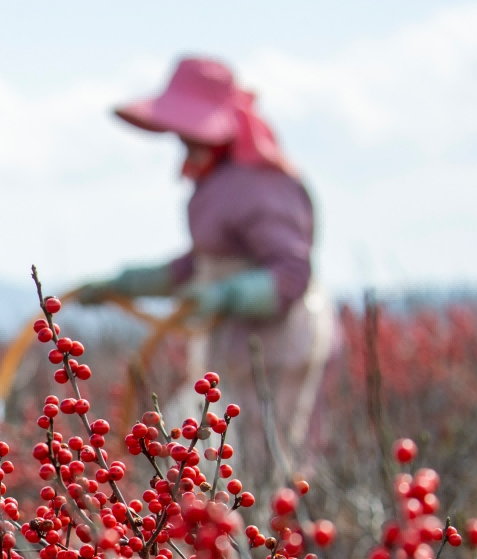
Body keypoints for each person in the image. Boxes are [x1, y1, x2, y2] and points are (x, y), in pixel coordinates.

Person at [77, 56, 334, 472]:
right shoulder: (219, 182)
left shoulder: (261, 186)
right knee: (203, 455)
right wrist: (126, 284)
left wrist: (227, 295)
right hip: (233, 351)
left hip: (274, 350)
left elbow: (290, 276)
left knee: (261, 466)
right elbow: (199, 265)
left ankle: (268, 536)